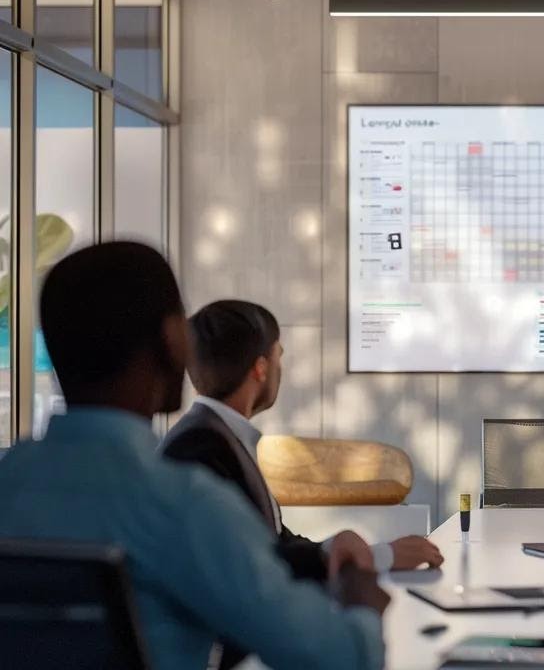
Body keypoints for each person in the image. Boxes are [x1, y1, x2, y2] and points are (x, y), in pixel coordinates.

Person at [0, 242, 387, 670]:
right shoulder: (183, 505)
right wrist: (361, 602)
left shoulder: (9, 481)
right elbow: (341, 657)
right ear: (172, 340)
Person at [163, 299, 443, 580]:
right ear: (260, 369)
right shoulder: (201, 445)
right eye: (278, 356)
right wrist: (378, 556)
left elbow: (276, 544)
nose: (279, 369)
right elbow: (254, 565)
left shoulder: (217, 435)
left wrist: (367, 554)